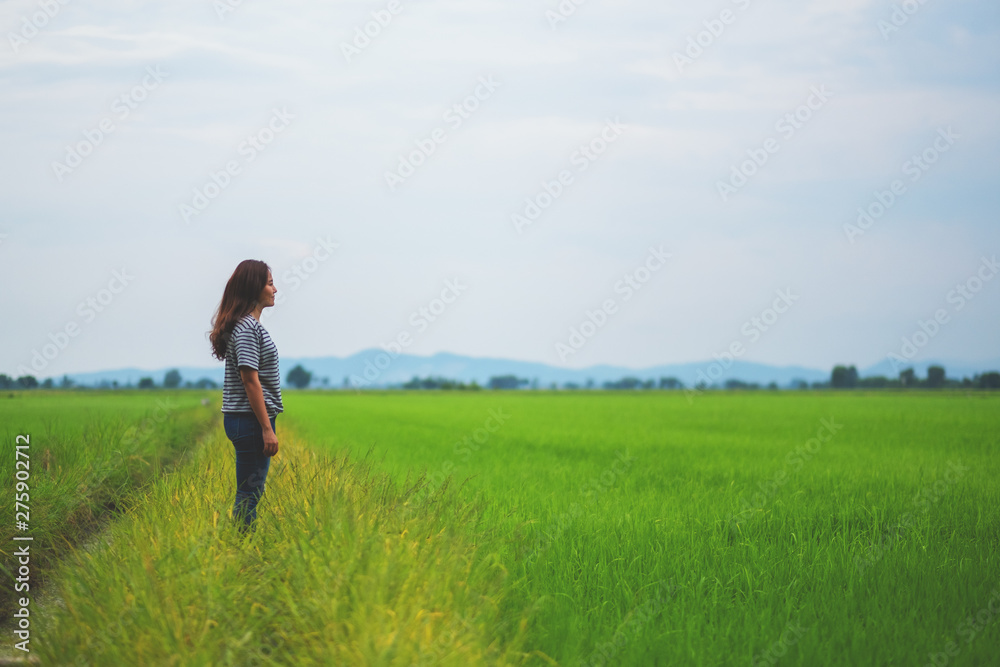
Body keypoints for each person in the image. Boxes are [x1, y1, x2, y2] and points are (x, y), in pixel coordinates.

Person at [208, 259, 283, 534]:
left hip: (246, 420)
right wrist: (266, 428)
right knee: (249, 493)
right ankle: (240, 547)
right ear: (254, 288)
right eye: (270, 283)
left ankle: (239, 543)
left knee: (250, 491)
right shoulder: (248, 329)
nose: (275, 289)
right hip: (251, 421)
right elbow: (250, 380)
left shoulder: (245, 326)